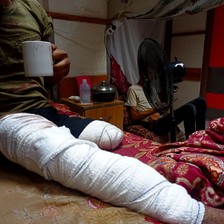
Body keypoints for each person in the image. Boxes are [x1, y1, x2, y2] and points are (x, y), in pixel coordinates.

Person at [0, 0, 223, 224]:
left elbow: (47, 78)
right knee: (54, 149)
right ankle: (192, 212)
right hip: (8, 115)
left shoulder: (31, 8)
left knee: (110, 134)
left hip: (43, 108)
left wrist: (59, 70)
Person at [126, 76, 207, 140]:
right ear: (142, 74)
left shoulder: (152, 89)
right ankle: (191, 142)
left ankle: (201, 137)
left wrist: (158, 112)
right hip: (152, 124)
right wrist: (153, 111)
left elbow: (157, 108)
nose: (151, 76)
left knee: (201, 101)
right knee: (189, 108)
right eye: (148, 73)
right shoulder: (133, 89)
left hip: (161, 118)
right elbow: (134, 116)